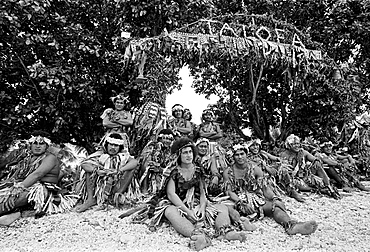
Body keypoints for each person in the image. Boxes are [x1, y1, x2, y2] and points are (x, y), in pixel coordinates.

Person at [127, 138, 247, 251]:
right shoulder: (173, 171)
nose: (189, 155)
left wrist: (202, 207)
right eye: (185, 152)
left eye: (190, 152)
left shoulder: (198, 169)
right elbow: (171, 194)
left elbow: (202, 192)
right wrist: (187, 211)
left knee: (222, 207)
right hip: (178, 203)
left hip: (195, 201)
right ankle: (198, 236)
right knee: (169, 211)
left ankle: (225, 232)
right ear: (179, 155)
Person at [223, 144, 318, 235]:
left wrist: (274, 198)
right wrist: (240, 203)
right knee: (230, 210)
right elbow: (229, 191)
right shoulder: (228, 171)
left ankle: (291, 225)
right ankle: (242, 224)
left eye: (242, 154)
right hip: (236, 199)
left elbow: (265, 188)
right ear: (233, 157)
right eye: (237, 155)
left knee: (275, 208)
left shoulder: (255, 168)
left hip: (253, 198)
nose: (240, 157)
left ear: (246, 154)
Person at [0, 133, 77, 225]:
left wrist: (19, 187)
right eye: (35, 143)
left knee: (20, 197)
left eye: (41, 144)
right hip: (23, 184)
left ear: (46, 146)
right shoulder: (26, 159)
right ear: (30, 145)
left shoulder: (50, 158)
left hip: (40, 190)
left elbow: (38, 174)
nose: (38, 146)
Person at [75, 133, 139, 212]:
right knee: (89, 172)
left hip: (116, 185)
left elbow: (134, 162)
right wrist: (97, 171)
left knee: (131, 169)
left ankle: (117, 196)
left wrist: (119, 170)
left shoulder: (123, 156)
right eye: (111, 145)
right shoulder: (100, 155)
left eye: (116, 145)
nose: (113, 147)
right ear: (106, 145)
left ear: (120, 147)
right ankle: (90, 199)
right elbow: (84, 164)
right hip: (100, 187)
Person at [279, 134, 341, 199]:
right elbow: (283, 170)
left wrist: (316, 161)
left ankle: (329, 188)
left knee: (317, 165)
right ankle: (318, 190)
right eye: (294, 144)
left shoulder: (303, 152)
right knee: (291, 179)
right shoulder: (284, 154)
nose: (296, 146)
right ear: (289, 145)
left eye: (297, 143)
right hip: (293, 179)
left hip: (304, 177)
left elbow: (315, 159)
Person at [138, 129, 177, 195]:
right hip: (150, 173)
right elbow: (143, 160)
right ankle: (144, 189)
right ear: (159, 139)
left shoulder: (173, 151)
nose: (168, 141)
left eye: (170, 139)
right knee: (147, 163)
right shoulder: (152, 146)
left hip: (163, 175)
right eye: (165, 138)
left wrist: (160, 169)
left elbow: (173, 169)